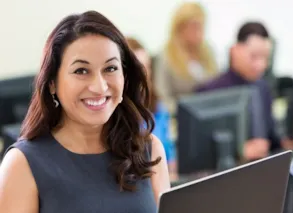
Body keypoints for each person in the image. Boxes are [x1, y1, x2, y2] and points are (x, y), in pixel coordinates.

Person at [0, 11, 170, 213]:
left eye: (110, 68)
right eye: (81, 71)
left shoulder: (148, 149)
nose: (99, 87)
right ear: (52, 83)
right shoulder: (22, 165)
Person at [196, 22, 279, 161]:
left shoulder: (263, 88)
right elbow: (201, 151)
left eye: (266, 58)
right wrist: (237, 151)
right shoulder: (210, 91)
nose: (261, 65)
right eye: (254, 57)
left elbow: (272, 136)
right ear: (235, 51)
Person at [154, 2, 218, 115]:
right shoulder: (166, 56)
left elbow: (218, 85)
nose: (200, 32)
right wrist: (187, 111)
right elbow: (162, 98)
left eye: (202, 26)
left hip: (209, 114)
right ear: (180, 28)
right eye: (195, 26)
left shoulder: (208, 51)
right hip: (179, 118)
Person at [126, 37, 177, 176]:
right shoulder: (116, 115)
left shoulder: (158, 106)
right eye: (138, 68)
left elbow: (170, 154)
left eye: (147, 66)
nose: (145, 74)